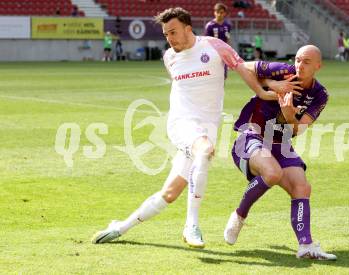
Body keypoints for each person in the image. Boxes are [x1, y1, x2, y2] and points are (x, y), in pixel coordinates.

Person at [91, 7, 278, 248]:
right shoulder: (169, 56)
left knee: (169, 194)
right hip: (182, 123)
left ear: (188, 28)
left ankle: (120, 227)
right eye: (166, 34)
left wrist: (263, 91)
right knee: (204, 149)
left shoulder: (214, 46)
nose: (170, 39)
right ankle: (192, 225)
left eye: (173, 32)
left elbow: (242, 67)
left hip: (207, 126)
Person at [224, 45, 337, 260]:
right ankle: (239, 216)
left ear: (318, 66)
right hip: (251, 135)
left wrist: (289, 115)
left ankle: (306, 245)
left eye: (306, 62)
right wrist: (269, 85)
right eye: (297, 59)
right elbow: (243, 67)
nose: (299, 65)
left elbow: (298, 129)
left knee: (302, 187)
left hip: (281, 142)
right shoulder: (282, 71)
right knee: (272, 173)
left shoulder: (320, 95)